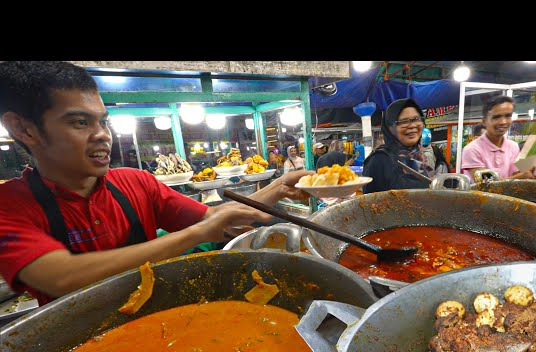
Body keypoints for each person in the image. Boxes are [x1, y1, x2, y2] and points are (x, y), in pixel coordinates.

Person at [0, 61, 313, 307]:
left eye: (103, 121)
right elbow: (60, 276)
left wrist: (279, 187)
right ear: (25, 130)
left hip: (158, 320)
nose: (102, 135)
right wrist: (198, 233)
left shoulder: (135, 182)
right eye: (80, 122)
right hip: (78, 350)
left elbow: (213, 218)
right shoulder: (9, 205)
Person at [460, 96, 535, 183]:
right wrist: (522, 176)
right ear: (484, 121)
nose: (503, 122)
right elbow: (486, 184)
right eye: (496, 117)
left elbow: (517, 173)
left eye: (508, 116)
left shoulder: (513, 146)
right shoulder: (472, 150)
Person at [362, 98, 430, 194]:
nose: (412, 125)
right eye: (404, 121)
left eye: (417, 119)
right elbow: (367, 203)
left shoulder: (420, 157)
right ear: (390, 128)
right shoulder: (378, 160)